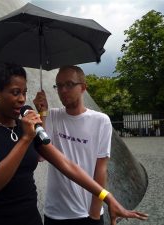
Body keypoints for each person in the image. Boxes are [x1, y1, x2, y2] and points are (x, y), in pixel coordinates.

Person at [0, 63, 148, 225]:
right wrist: (25, 139)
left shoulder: (26, 128)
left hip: (30, 218)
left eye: (24, 92)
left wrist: (106, 197)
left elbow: (66, 164)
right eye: (15, 92)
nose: (22, 99)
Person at [34, 65, 112, 225]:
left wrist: (95, 214)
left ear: (83, 87)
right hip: (55, 213)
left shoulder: (101, 121)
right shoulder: (51, 115)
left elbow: (101, 169)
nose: (63, 90)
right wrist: (43, 113)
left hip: (88, 213)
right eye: (59, 85)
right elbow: (40, 156)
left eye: (69, 84)